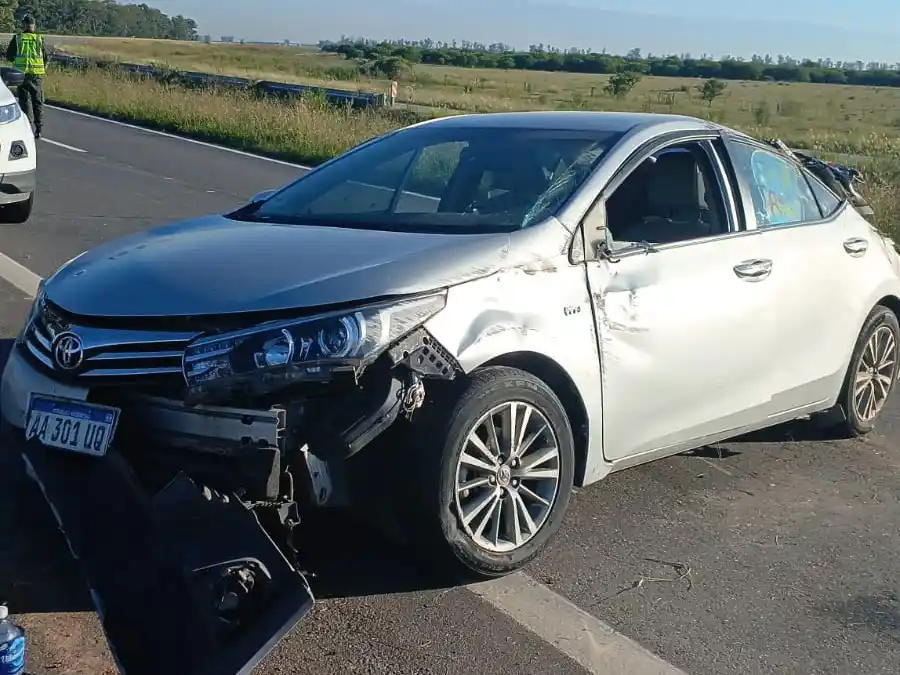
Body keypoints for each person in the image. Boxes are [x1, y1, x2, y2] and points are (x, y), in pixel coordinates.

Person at [6, 15, 48, 139]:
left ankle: (27, 127)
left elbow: (9, 56)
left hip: (21, 74)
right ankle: (39, 129)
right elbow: (45, 56)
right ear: (34, 25)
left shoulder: (18, 38)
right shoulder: (39, 39)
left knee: (24, 102)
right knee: (38, 101)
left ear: (23, 25)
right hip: (36, 75)